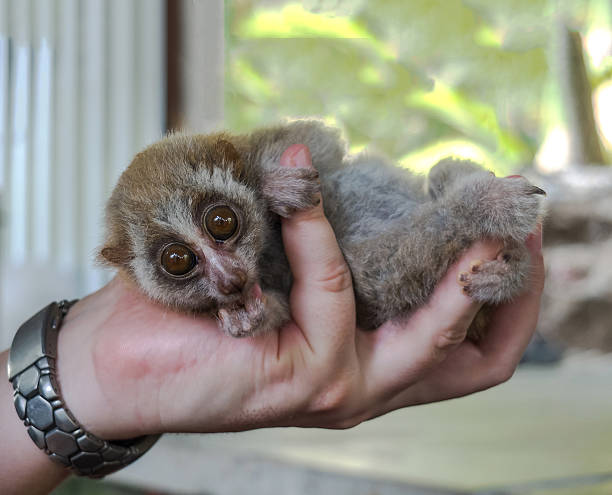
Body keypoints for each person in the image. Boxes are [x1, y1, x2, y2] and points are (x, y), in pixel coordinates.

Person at [0, 144, 544, 495]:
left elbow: (314, 143)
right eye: (179, 263)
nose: (224, 272)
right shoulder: (225, 302)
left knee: (440, 192)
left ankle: (477, 226)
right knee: (365, 289)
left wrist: (273, 170)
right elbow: (292, 318)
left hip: (386, 210)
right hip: (390, 263)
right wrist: (97, 376)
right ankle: (472, 224)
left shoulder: (260, 173)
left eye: (221, 223)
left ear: (236, 177)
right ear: (134, 273)